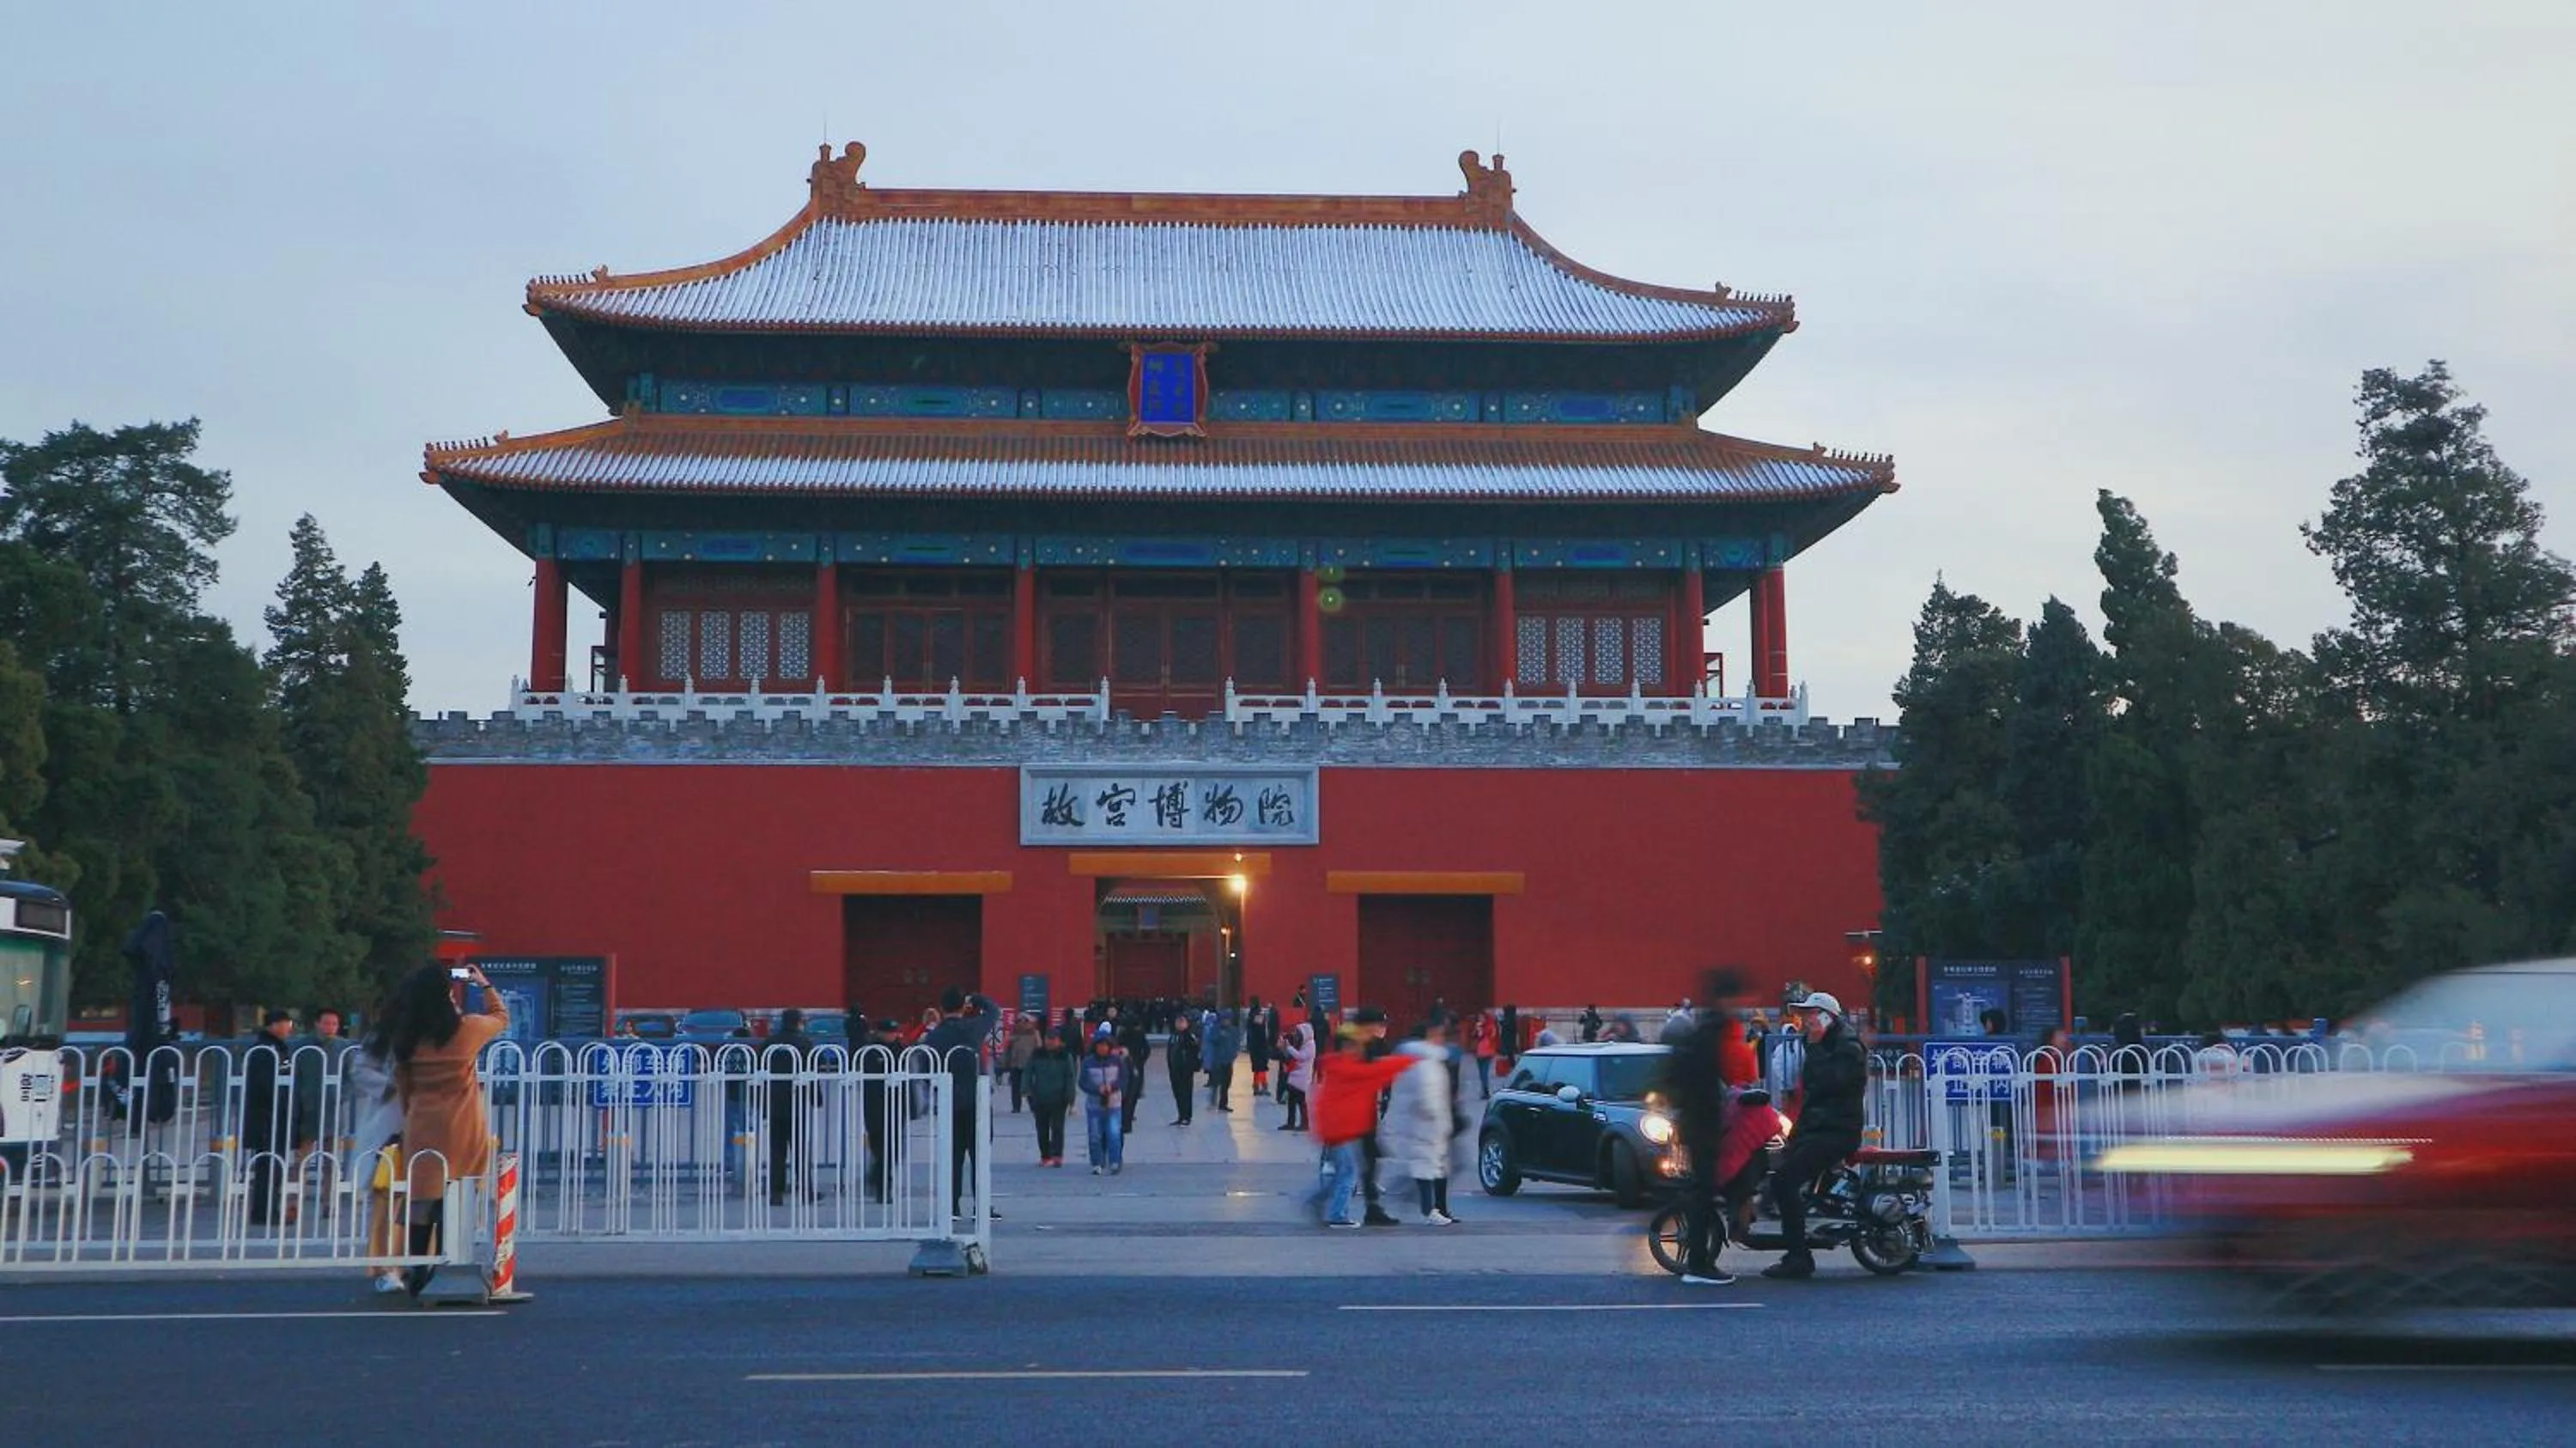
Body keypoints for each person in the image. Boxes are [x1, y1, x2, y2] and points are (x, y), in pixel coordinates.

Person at [391, 963, 509, 1297]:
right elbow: (501, 1017)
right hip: (461, 1124)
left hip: (422, 1123)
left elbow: (404, 1088)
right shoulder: (466, 1029)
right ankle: (448, 1263)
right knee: (454, 1196)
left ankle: (417, 1269)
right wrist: (483, 985)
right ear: (447, 994)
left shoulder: (408, 1038)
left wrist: (408, 1122)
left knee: (422, 1200)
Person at [1763, 991, 1865, 1281]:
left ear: (1826, 1017)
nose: (1805, 1022)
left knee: (1785, 1182)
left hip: (1836, 1132)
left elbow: (1829, 1084)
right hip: (1819, 1129)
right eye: (1804, 1015)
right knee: (1778, 1170)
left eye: (1810, 1015)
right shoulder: (1825, 1045)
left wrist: (1817, 1046)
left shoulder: (1846, 1047)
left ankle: (1798, 1257)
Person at [1657, 1010, 1737, 1284]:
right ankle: (1699, 1264)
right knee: (1703, 1193)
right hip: (1703, 1129)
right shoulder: (1697, 1055)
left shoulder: (1680, 1058)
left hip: (1694, 1128)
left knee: (1700, 1191)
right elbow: (1711, 1094)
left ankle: (1698, 1260)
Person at [1309, 1025, 1416, 1227]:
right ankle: (1337, 1215)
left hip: (1336, 1130)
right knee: (1348, 1173)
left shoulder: (1337, 1066)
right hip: (1341, 1131)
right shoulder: (1347, 1068)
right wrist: (1411, 1059)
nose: (1359, 1050)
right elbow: (1378, 1070)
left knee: (1341, 1172)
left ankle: (1314, 1199)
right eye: (1355, 1046)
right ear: (1346, 1046)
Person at [920, 988, 1000, 1222]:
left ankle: (952, 1206)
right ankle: (981, 1206)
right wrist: (976, 999)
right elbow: (994, 1012)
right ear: (962, 1007)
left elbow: (925, 1067)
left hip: (949, 1101)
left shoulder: (935, 1036)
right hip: (977, 1100)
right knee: (979, 1155)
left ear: (942, 1008)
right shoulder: (973, 1028)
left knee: (953, 1156)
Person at [345, 1003, 404, 1293]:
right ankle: (383, 1263)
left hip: (423, 1119)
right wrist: (390, 1086)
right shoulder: (384, 1036)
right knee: (387, 1194)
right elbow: (360, 1070)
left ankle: (408, 1262)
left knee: (414, 1197)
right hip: (389, 1122)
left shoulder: (435, 1029)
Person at [1382, 1022, 1457, 1225]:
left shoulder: (1412, 1060)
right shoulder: (1426, 1063)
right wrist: (1437, 1116)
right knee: (1425, 1166)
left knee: (1423, 1166)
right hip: (1426, 1124)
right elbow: (1428, 1096)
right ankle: (1429, 1211)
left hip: (1414, 1122)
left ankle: (1423, 1206)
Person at [240, 1009, 298, 1226]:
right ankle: (263, 1212)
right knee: (267, 1166)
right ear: (273, 1025)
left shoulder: (278, 1048)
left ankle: (269, 1209)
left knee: (274, 1167)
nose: (289, 1028)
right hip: (267, 1117)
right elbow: (267, 1085)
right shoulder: (265, 1050)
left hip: (276, 1116)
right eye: (286, 1023)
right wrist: (282, 1103)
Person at [764, 1007, 816, 1207]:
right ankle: (806, 1190)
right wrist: (815, 1098)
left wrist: (761, 1102)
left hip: (775, 1102)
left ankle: (776, 1193)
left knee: (777, 1150)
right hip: (798, 1101)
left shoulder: (770, 1043)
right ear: (798, 1022)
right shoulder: (805, 1043)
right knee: (800, 1149)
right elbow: (812, 1073)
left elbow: (762, 1074)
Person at [1078, 1025, 1128, 1174]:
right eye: (1100, 1045)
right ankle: (1097, 1162)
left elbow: (1124, 1078)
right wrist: (1096, 1089)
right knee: (1095, 1135)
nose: (1103, 1048)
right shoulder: (1088, 1062)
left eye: (1105, 1045)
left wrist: (1112, 1087)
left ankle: (1114, 1161)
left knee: (1114, 1133)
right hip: (1094, 1105)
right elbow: (1082, 1082)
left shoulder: (1116, 1061)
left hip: (1113, 1103)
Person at [1026, 1030, 1075, 1165]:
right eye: (1048, 1038)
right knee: (1042, 1128)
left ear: (1059, 1041)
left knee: (1058, 1128)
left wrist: (1071, 1098)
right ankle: (1045, 1155)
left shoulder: (1065, 1056)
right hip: (1039, 1097)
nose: (1050, 1042)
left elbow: (1070, 1077)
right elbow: (1028, 1072)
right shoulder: (1037, 1054)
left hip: (1059, 1098)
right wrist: (1026, 1090)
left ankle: (1057, 1155)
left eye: (1053, 1039)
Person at [1116, 1014, 1153, 1137]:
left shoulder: (1121, 1035)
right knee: (1134, 1092)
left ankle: (1123, 1119)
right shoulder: (1140, 1035)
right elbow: (1147, 1049)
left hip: (1123, 1065)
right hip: (1137, 1065)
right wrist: (1142, 1060)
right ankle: (1129, 1117)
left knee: (1124, 1092)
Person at [1277, 1020, 1315, 1131]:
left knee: (1301, 1102)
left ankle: (1305, 1123)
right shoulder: (1304, 1044)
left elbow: (1301, 1057)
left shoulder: (1310, 1045)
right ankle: (1291, 1122)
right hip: (1296, 1076)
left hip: (1301, 1077)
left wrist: (1289, 1047)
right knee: (1292, 1101)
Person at [1165, 1012, 1202, 1125]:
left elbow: (1196, 1051)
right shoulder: (1173, 1036)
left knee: (1186, 1093)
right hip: (1174, 1070)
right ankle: (1181, 1115)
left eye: (1182, 1022)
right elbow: (1170, 1052)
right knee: (1177, 1093)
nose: (1179, 1024)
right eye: (1178, 1022)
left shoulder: (1189, 1037)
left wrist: (1193, 1066)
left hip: (1185, 1070)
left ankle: (1187, 1116)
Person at [1206, 1008, 1242, 1112]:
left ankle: (1223, 1104)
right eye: (1225, 1019)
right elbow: (1212, 1040)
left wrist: (1234, 1054)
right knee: (1216, 1083)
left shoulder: (1234, 1030)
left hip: (1228, 1061)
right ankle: (1213, 1102)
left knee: (1226, 1083)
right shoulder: (1216, 1029)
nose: (1227, 1021)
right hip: (1218, 1061)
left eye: (1228, 1019)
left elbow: (1236, 1044)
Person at [1005, 1014, 1040, 1113]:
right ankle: (1016, 1107)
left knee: (1029, 1086)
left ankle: (1033, 1105)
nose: (1021, 1024)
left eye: (1024, 1021)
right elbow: (1007, 1049)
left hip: (1029, 1064)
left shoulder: (1034, 1033)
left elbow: (1039, 1046)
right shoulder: (1013, 1034)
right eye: (1019, 1021)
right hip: (1015, 1064)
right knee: (1016, 1086)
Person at [1246, 996, 1275, 1098]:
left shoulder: (1251, 1014)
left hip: (1254, 1045)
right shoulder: (1259, 1015)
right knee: (1261, 1066)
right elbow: (1260, 1031)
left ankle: (1258, 1086)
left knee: (1258, 1067)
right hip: (1260, 1045)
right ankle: (1261, 1086)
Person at [1466, 1012, 1498, 1099]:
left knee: (1484, 1072)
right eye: (1479, 1018)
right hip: (1478, 1052)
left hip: (1487, 1052)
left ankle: (1485, 1090)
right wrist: (1477, 1029)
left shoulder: (1490, 1026)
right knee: (1481, 1072)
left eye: (1482, 1018)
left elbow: (1491, 1037)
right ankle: (1484, 1089)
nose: (1480, 1019)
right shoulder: (1477, 1026)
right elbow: (1473, 1036)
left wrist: (1481, 1030)